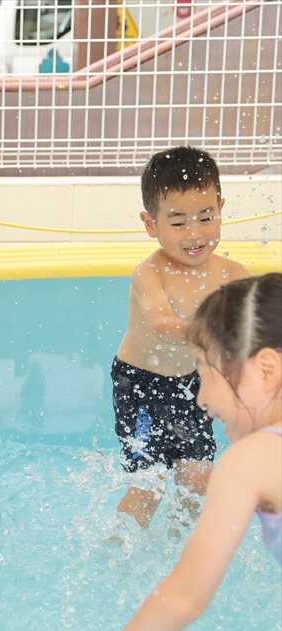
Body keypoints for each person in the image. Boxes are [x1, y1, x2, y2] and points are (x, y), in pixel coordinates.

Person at [120, 272, 282, 631]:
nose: (201, 397)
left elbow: (183, 597)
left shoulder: (253, 459)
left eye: (206, 371)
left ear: (267, 370)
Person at [112, 146, 249, 528]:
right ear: (150, 224)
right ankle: (118, 548)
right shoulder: (150, 273)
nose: (195, 234)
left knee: (197, 483)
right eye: (178, 223)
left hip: (193, 385)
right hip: (140, 386)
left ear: (221, 208)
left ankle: (178, 545)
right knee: (150, 487)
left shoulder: (233, 274)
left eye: (206, 217)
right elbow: (163, 324)